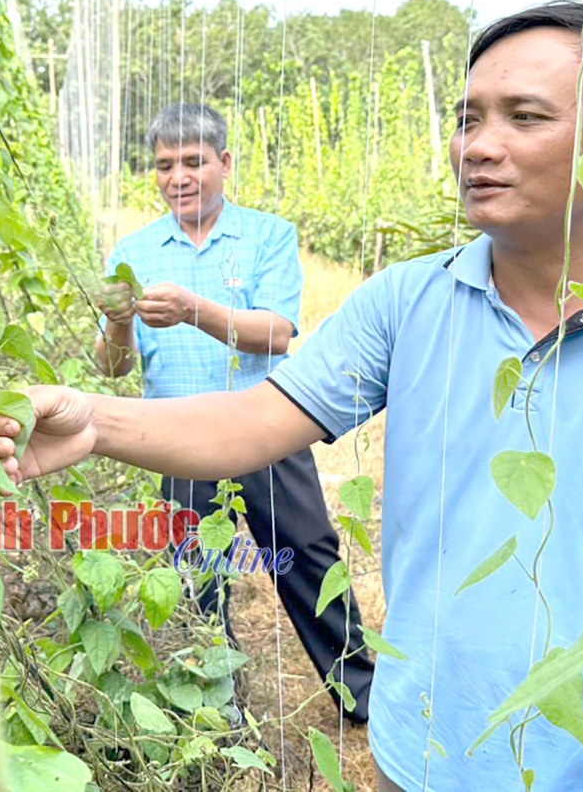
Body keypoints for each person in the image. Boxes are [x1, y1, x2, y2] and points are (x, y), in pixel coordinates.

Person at [0, 4, 583, 791]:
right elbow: (254, 419)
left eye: (523, 118)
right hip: (423, 753)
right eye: (467, 119)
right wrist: (96, 419)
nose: (477, 146)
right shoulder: (405, 304)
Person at [93, 102, 374, 723]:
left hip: (263, 427)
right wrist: (116, 321)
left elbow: (275, 334)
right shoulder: (134, 250)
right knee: (196, 571)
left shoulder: (267, 235)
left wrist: (196, 310)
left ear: (224, 163)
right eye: (165, 165)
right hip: (174, 437)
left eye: (193, 162)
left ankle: (364, 697)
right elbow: (113, 369)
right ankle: (216, 708)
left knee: (305, 556)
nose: (178, 177)